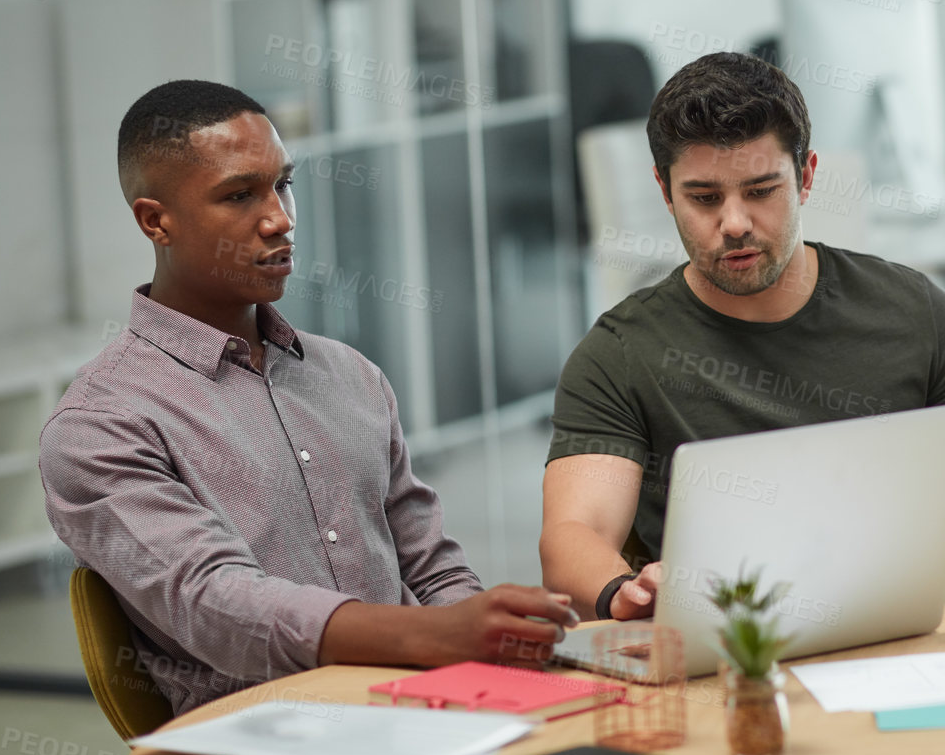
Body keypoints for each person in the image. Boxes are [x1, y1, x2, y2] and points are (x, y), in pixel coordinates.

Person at [39, 80, 576, 715]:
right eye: (239, 195)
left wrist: (494, 639)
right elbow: (214, 602)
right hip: (269, 743)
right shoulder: (101, 425)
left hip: (424, 710)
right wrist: (432, 638)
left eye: (283, 185)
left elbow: (430, 568)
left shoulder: (349, 375)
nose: (281, 219)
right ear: (156, 220)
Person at [540, 51, 945, 621]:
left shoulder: (917, 314)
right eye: (704, 198)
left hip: (920, 643)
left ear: (806, 177)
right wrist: (624, 589)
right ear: (665, 192)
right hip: (738, 656)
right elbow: (574, 532)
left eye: (761, 190)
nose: (734, 222)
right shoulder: (618, 355)